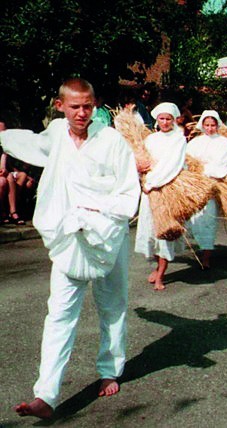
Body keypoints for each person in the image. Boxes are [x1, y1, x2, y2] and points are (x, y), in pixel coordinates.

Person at [1, 78, 140, 418]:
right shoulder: (57, 134)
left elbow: (127, 192)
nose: (81, 113)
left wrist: (98, 215)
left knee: (112, 305)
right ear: (60, 106)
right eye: (74, 106)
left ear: (95, 106)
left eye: (87, 106)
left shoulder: (111, 141)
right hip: (68, 237)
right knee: (60, 314)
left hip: (107, 236)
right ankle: (45, 396)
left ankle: (109, 369)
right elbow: (29, 143)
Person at [134, 102, 186, 291]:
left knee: (164, 231)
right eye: (162, 119)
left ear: (174, 120)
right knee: (150, 231)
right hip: (149, 190)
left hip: (166, 187)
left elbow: (172, 165)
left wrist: (152, 183)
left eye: (168, 119)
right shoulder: (151, 139)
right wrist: (142, 180)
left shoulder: (179, 139)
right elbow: (143, 162)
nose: (165, 122)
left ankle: (161, 275)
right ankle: (157, 266)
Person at [186, 110, 227, 268]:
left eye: (212, 125)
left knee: (208, 219)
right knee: (193, 218)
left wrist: (204, 169)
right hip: (195, 185)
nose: (209, 128)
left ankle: (207, 256)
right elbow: (188, 161)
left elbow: (221, 165)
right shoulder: (195, 142)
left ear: (217, 125)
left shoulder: (224, 142)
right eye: (206, 125)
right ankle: (197, 250)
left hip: (212, 184)